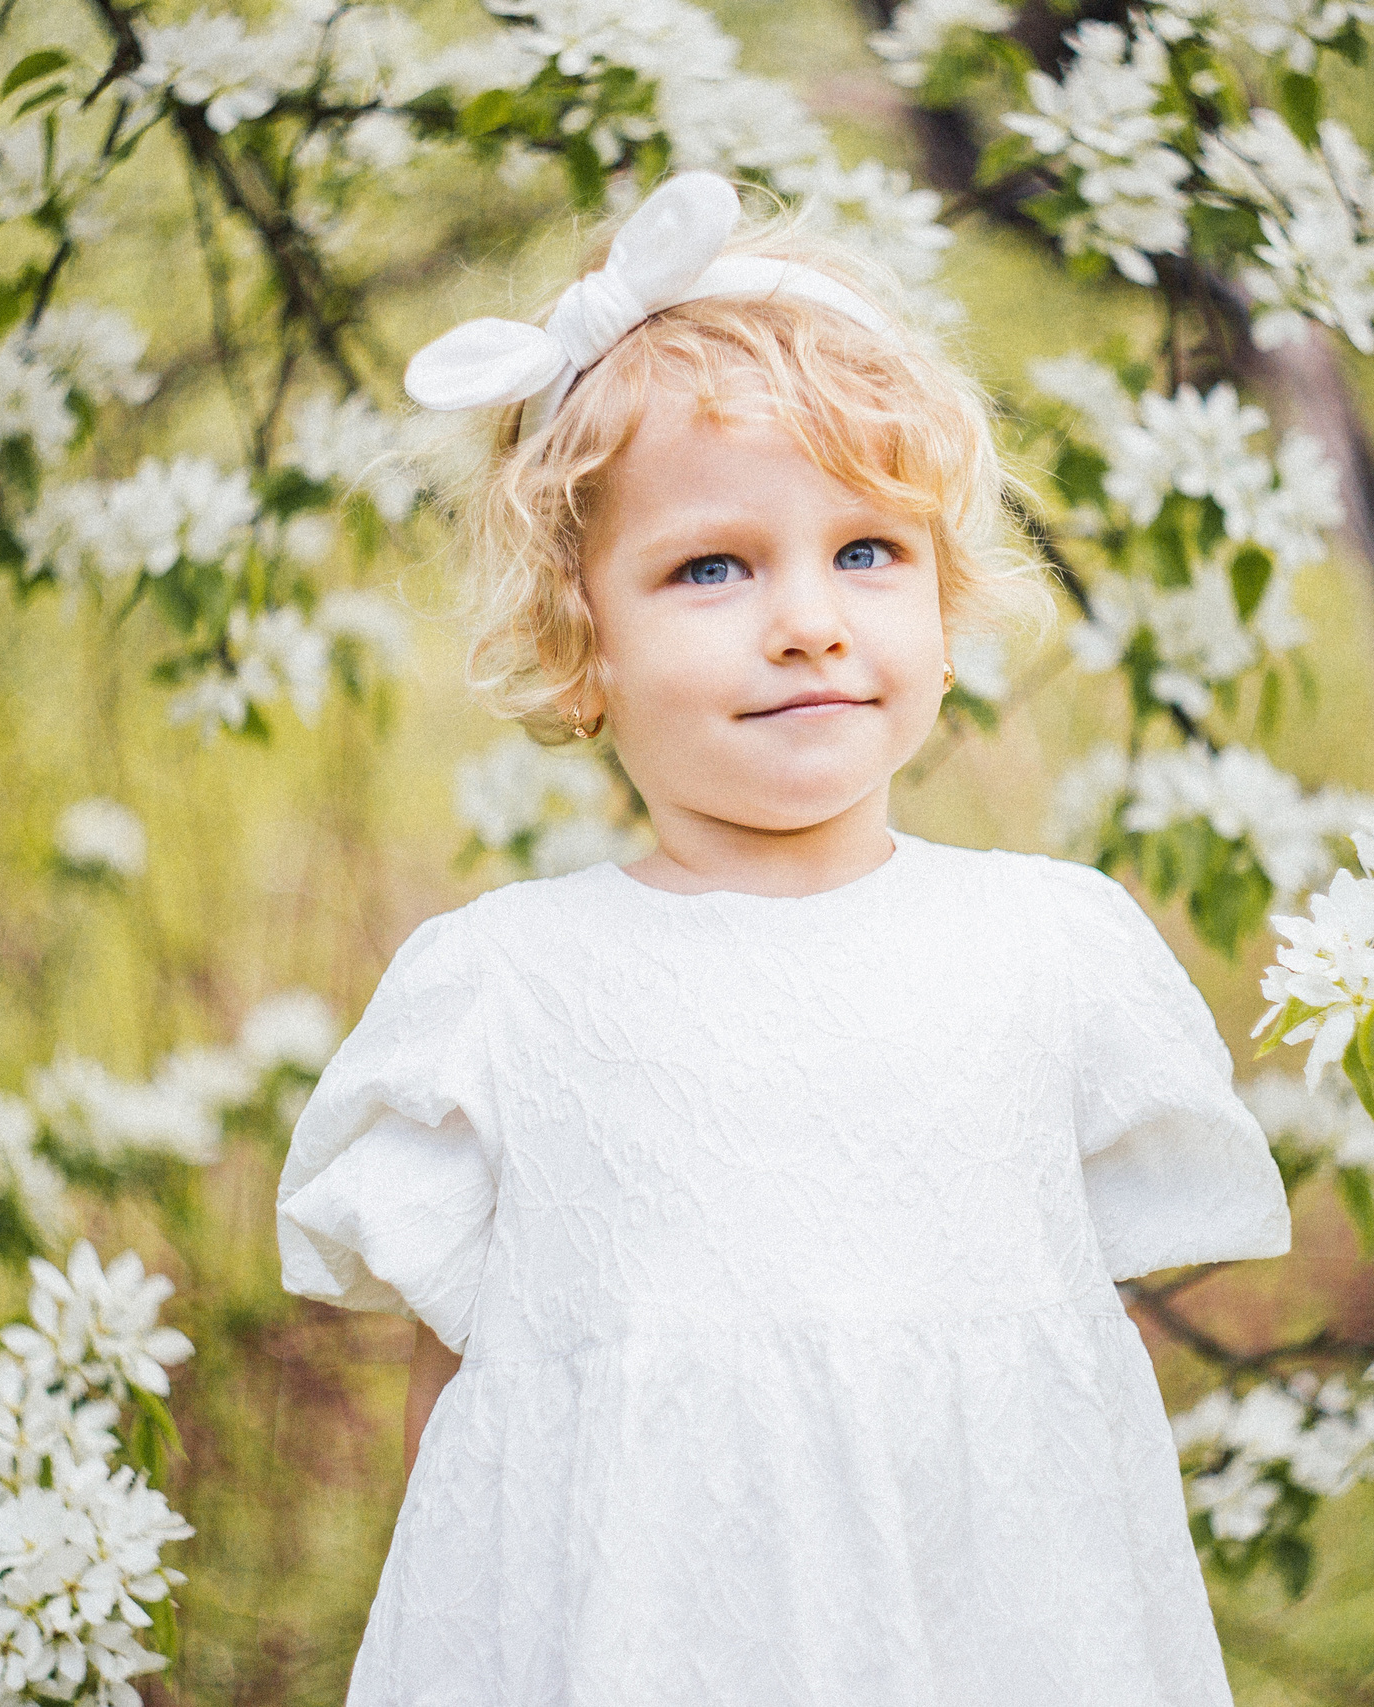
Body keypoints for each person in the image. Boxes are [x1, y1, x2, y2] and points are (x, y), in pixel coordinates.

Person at [275, 170, 1291, 1706]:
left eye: (867, 552)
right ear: (580, 639)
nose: (809, 619)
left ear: (946, 596)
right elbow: (472, 1455)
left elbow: (1067, 1425)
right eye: (712, 566)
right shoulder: (502, 992)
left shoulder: (1049, 948)